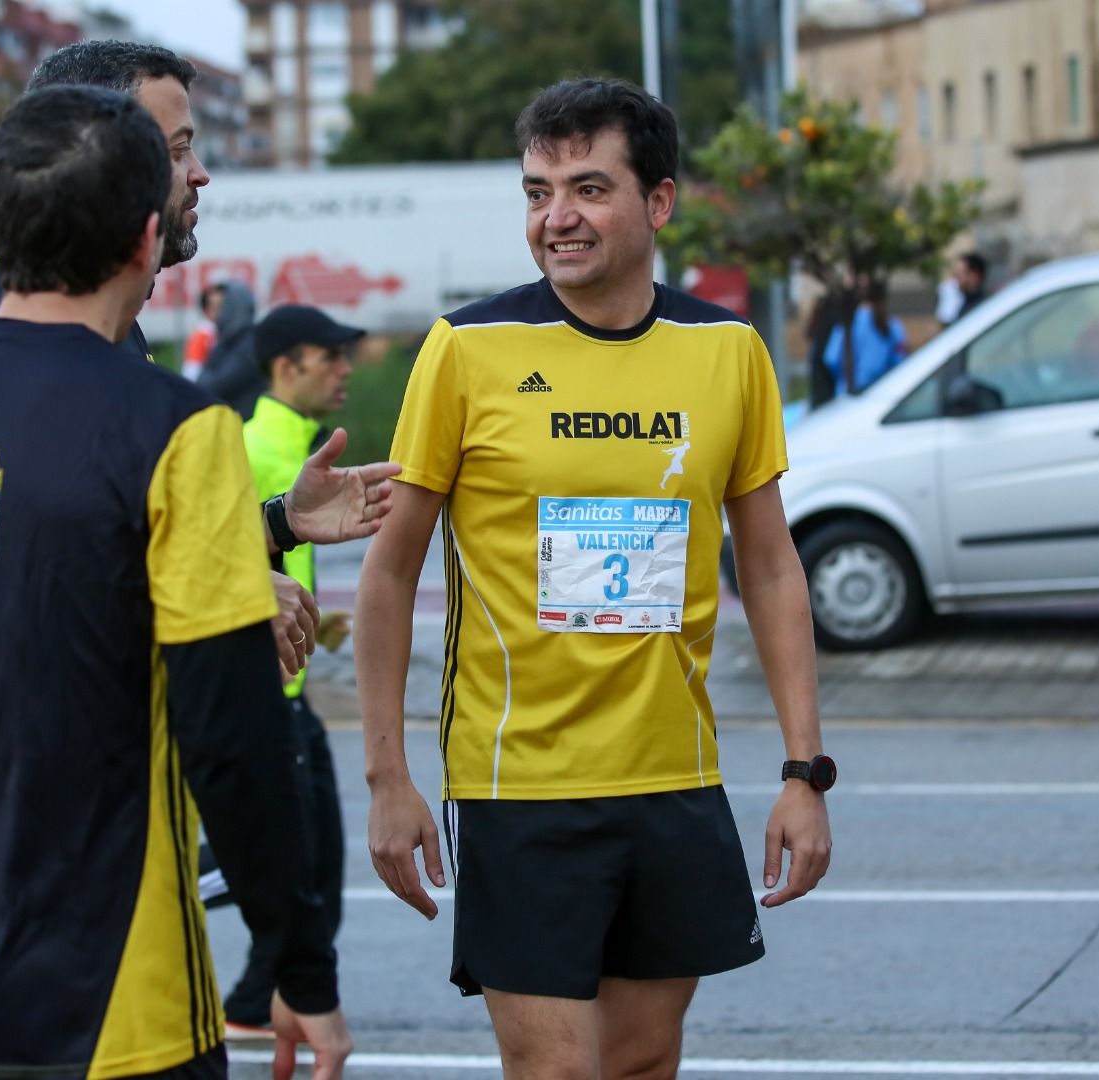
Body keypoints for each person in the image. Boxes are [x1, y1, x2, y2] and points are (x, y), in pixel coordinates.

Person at [0, 83, 352, 1080]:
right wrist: (299, 965)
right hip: (115, 1015)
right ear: (147, 239)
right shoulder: (172, 429)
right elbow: (231, 739)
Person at [356, 77, 833, 1080]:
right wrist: (388, 777)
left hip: (673, 781)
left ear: (658, 202)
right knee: (557, 1075)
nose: (555, 219)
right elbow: (390, 572)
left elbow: (773, 567)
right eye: (536, 193)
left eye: (585, 188)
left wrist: (802, 771)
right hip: (519, 785)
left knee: (641, 1066)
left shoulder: (726, 353)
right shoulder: (467, 350)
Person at [0, 40, 401, 680]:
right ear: (102, 159)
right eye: (178, 149)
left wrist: (278, 524)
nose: (201, 172)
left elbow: (120, 528)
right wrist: (226, 591)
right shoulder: (12, 319)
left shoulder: (104, 333)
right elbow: (22, 561)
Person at [224, 305, 363, 1040]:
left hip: (286, 689)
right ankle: (257, 1001)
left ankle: (256, 999)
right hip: (260, 698)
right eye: (329, 356)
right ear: (287, 366)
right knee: (303, 868)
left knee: (310, 865)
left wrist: (316, 623)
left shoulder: (290, 450)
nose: (345, 368)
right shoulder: (255, 452)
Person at [822, 278, 907, 396]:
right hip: (882, 396)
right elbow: (900, 363)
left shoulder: (848, 323)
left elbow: (831, 359)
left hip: (848, 395)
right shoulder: (893, 326)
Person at [197, 280, 265, 420]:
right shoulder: (230, 341)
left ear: (235, 306)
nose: (214, 314)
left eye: (220, 306)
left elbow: (210, 386)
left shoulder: (248, 344)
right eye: (210, 306)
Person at [181, 282, 225, 381]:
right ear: (206, 308)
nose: (218, 310)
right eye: (213, 305)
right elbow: (192, 372)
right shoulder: (203, 334)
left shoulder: (216, 331)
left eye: (221, 305)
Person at [953, 252, 988, 321]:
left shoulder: (984, 307)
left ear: (974, 275)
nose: (956, 279)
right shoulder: (964, 304)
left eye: (959, 274)